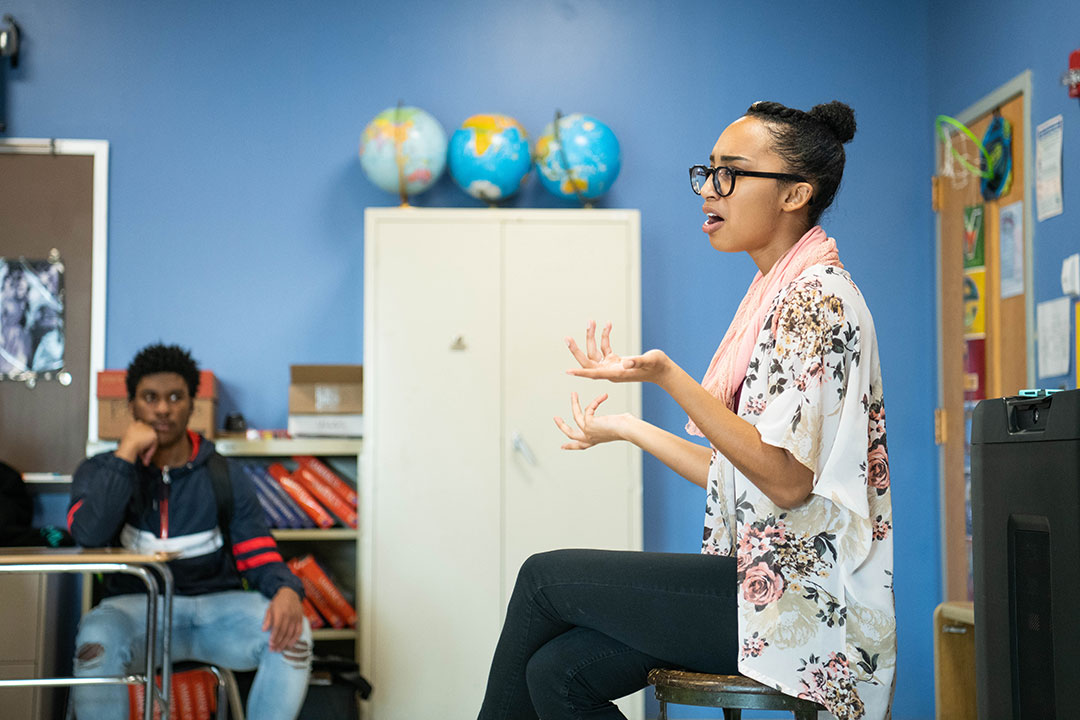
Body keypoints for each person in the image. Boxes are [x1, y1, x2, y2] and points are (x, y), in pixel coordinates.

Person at [477, 101, 895, 720]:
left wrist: (667, 375)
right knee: (557, 672)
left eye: (733, 173)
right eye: (709, 171)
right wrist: (628, 426)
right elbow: (742, 473)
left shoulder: (815, 301)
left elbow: (784, 482)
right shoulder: (778, 295)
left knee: (544, 579)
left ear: (794, 194)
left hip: (802, 603)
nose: (711, 189)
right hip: (767, 586)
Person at [68, 343, 311, 719]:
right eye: (150, 397)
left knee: (295, 633)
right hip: (136, 612)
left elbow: (258, 552)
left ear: (191, 405)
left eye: (175, 397)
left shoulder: (224, 474)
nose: (163, 408)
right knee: (95, 640)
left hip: (217, 611)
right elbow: (88, 533)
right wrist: (125, 456)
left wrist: (286, 589)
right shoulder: (100, 470)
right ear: (131, 405)